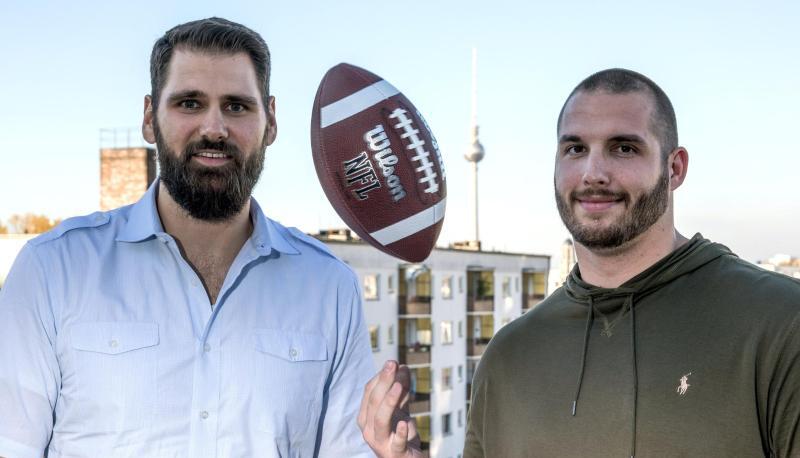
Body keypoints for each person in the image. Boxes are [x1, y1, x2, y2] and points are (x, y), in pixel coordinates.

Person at [358, 68, 800, 457]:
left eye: (624, 148)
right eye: (574, 149)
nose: (593, 173)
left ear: (675, 168)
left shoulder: (778, 322)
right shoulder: (510, 357)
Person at [0, 17, 374, 458]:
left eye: (236, 106)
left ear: (270, 122)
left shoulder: (329, 287)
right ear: (148, 117)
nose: (214, 128)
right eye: (189, 103)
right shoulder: (52, 270)